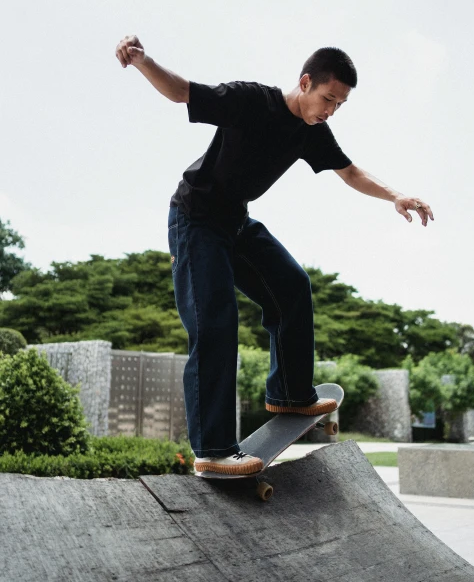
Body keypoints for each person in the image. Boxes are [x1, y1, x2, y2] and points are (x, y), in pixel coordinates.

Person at [115, 35, 434, 475]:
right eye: (327, 98)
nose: (330, 110)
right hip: (195, 219)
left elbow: (350, 172)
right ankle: (212, 450)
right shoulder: (251, 101)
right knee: (216, 322)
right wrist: (142, 61)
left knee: (291, 286)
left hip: (235, 222)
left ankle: (289, 392)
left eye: (340, 104)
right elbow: (182, 91)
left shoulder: (313, 132)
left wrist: (396, 195)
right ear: (305, 82)